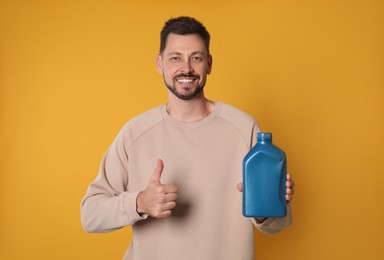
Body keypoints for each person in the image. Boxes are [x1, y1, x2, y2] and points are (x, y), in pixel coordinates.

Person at [81, 16, 295, 260]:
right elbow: (90, 215)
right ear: (160, 64)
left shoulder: (244, 128)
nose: (186, 68)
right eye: (175, 58)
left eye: (196, 57)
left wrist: (267, 206)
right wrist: (140, 202)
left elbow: (280, 223)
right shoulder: (135, 133)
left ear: (209, 64)